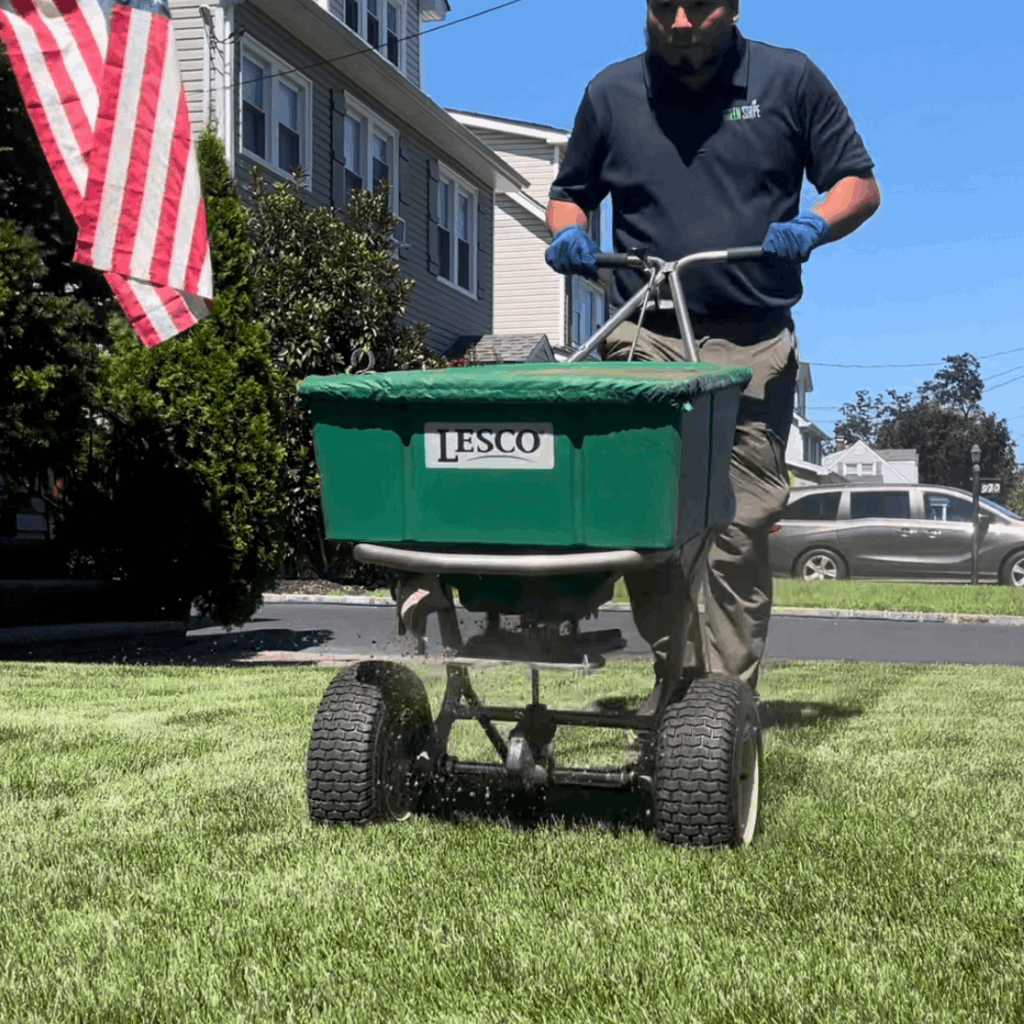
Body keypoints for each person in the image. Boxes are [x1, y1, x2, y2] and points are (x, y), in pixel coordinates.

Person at [544, 0, 881, 712]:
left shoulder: (790, 81)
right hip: (648, 332)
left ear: (733, 7)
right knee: (650, 526)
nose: (683, 20)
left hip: (752, 342)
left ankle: (721, 704)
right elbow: (570, 194)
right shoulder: (611, 93)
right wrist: (570, 233)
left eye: (700, 6)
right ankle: (681, 683)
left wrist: (812, 224)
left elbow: (858, 183)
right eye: (665, 6)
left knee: (734, 531)